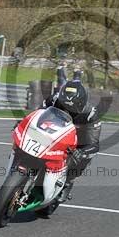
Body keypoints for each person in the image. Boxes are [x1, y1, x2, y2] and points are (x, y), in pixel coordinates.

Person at [44, 65, 101, 202]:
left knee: (84, 157)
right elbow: (36, 114)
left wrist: (82, 152)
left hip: (76, 140)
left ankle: (68, 182)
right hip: (52, 131)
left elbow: (94, 144)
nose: (68, 110)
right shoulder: (54, 100)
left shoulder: (90, 114)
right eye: (65, 106)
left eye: (72, 108)